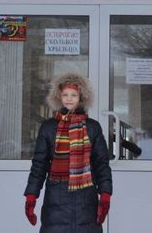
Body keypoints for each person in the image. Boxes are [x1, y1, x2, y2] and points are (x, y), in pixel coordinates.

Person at [24, 72, 113, 232]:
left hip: (86, 198)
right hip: (56, 197)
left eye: (73, 95)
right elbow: (39, 165)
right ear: (59, 97)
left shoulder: (92, 127)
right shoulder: (49, 127)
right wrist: (31, 195)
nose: (69, 99)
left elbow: (101, 164)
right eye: (65, 94)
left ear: (81, 97)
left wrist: (105, 194)